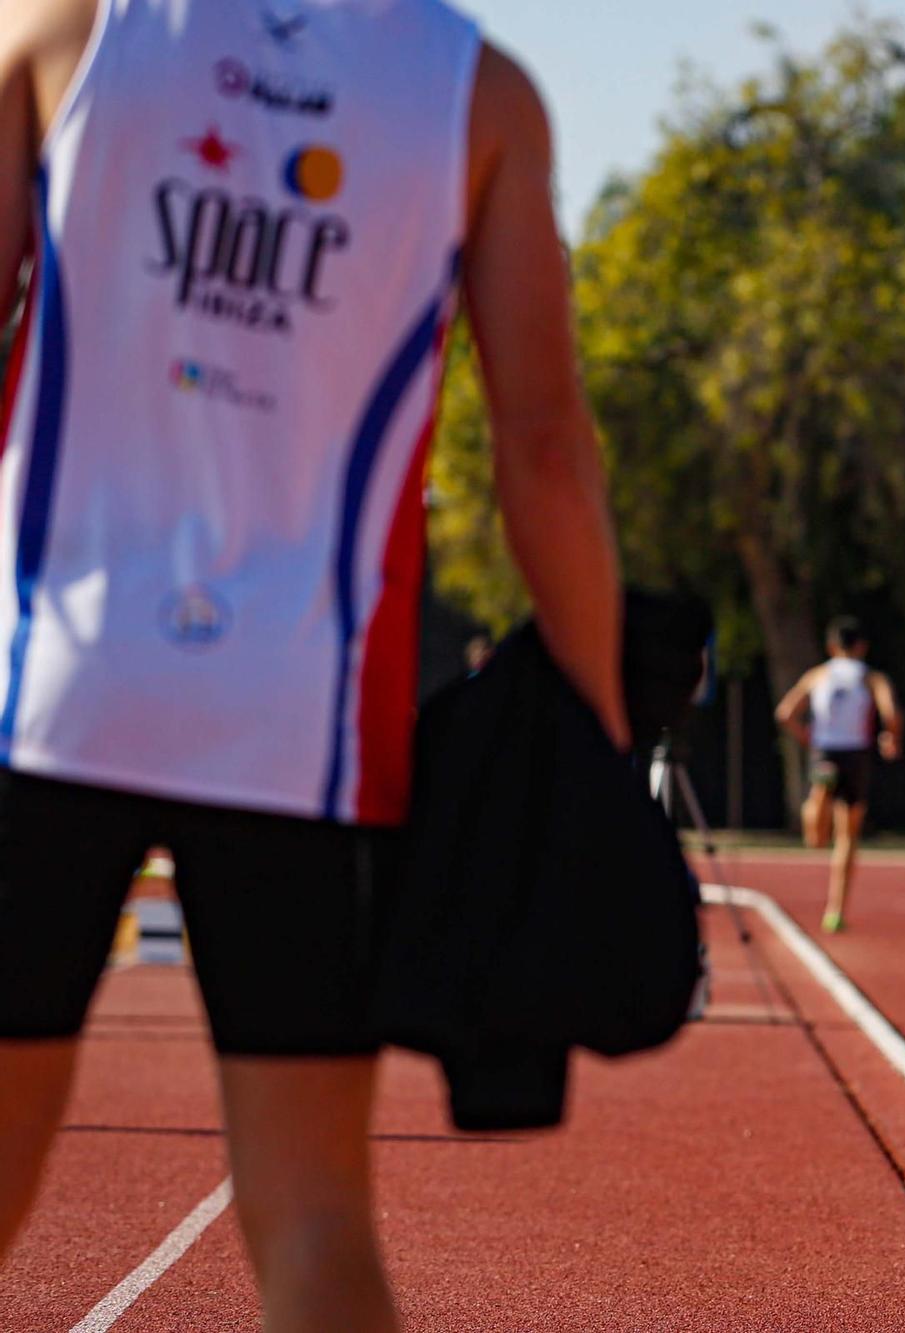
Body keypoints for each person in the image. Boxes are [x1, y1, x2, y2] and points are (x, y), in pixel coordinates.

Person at [0, 1, 628, 1326]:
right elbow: (547, 448)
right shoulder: (480, 94)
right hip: (307, 724)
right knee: (316, 1223)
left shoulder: (60, 27)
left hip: (42, 691)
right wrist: (601, 738)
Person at [775, 618, 901, 933]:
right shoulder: (871, 677)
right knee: (848, 836)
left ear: (832, 647)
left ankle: (819, 795)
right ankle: (835, 910)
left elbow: (785, 713)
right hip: (855, 754)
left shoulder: (818, 675)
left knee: (815, 837)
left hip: (825, 750)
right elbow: (891, 713)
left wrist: (806, 737)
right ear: (861, 647)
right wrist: (891, 738)